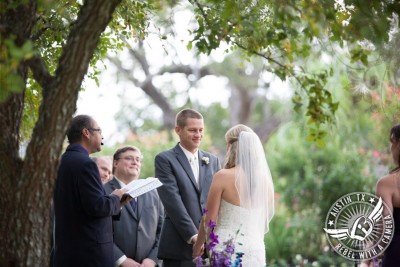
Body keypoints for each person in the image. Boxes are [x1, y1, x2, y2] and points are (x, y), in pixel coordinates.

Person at [52, 115, 129, 267]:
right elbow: (96, 206)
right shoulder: (86, 164)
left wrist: (117, 204)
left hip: (67, 251)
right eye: (99, 131)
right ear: (86, 132)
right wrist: (116, 197)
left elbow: (79, 206)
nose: (102, 136)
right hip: (89, 255)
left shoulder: (61, 161)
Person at [192, 124, 275, 266]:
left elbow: (208, 220)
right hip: (256, 249)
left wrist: (197, 246)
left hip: (226, 248)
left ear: (232, 147)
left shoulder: (223, 176)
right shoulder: (265, 181)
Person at [155, 108, 221, 267]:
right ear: (178, 130)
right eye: (192, 130)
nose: (198, 134)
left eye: (201, 130)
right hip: (178, 247)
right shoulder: (165, 159)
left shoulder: (212, 160)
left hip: (210, 248)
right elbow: (172, 201)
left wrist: (210, 238)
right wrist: (194, 237)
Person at [104, 146, 164, 267]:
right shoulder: (102, 191)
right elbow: (98, 231)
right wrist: (121, 260)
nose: (135, 162)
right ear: (115, 162)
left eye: (138, 159)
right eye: (129, 158)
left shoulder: (153, 192)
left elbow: (162, 229)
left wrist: (153, 259)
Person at [374, 124, 400, 266]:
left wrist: (369, 258)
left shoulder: (386, 183)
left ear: (398, 145)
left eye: (392, 143)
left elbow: (384, 227)